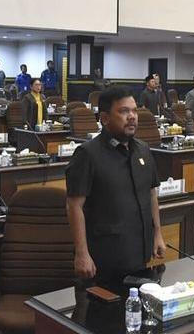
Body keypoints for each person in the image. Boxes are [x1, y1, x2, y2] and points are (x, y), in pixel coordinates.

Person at [66, 86, 165, 281]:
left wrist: (158, 234)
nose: (132, 117)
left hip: (140, 251)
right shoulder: (87, 154)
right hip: (104, 258)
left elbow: (151, 194)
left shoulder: (143, 150)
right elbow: (74, 206)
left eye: (134, 111)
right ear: (104, 118)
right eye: (124, 111)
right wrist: (81, 253)